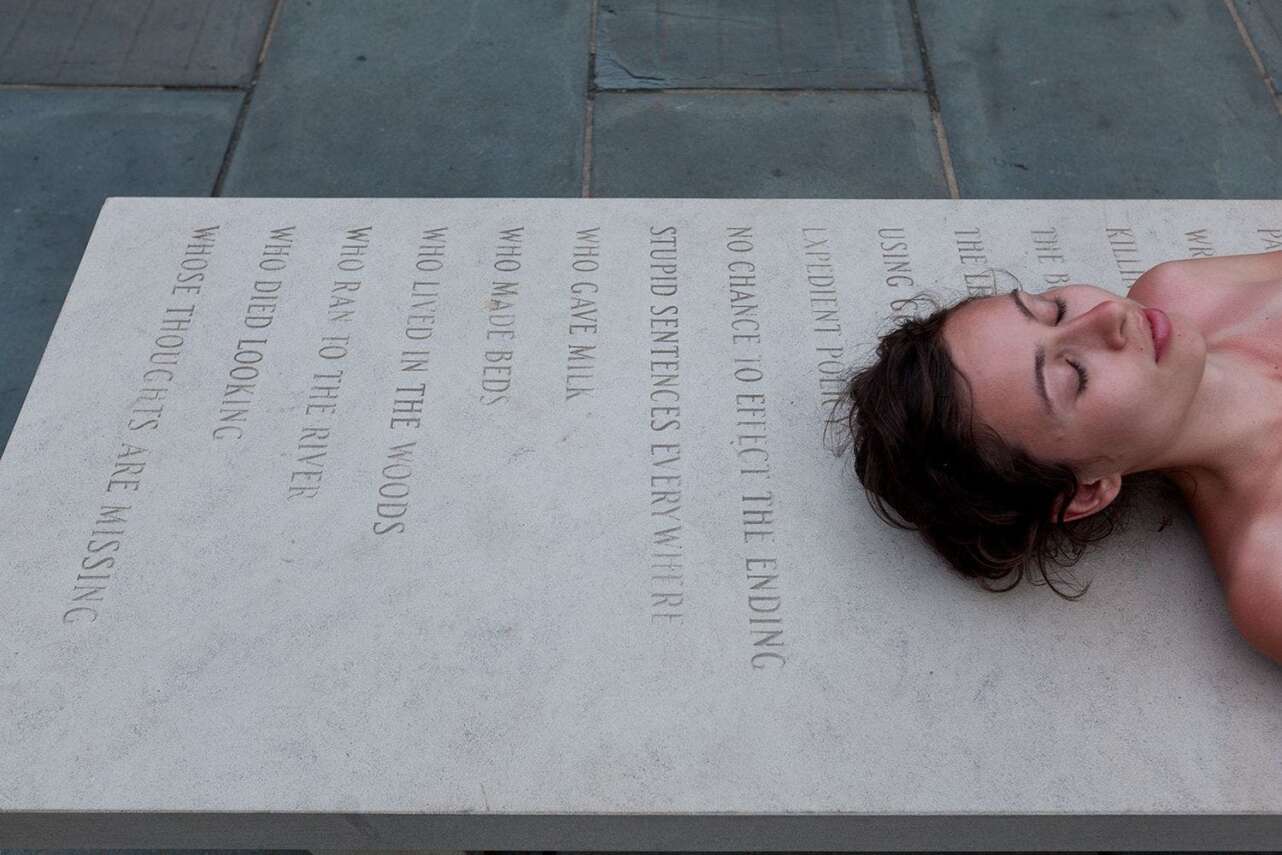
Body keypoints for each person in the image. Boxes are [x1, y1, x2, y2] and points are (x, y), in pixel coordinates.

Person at [830, 250, 1282, 664]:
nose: (1108, 316)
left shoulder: (1181, 289)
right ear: (1087, 489)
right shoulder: (1270, 574)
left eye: (1052, 309)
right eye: (1075, 375)